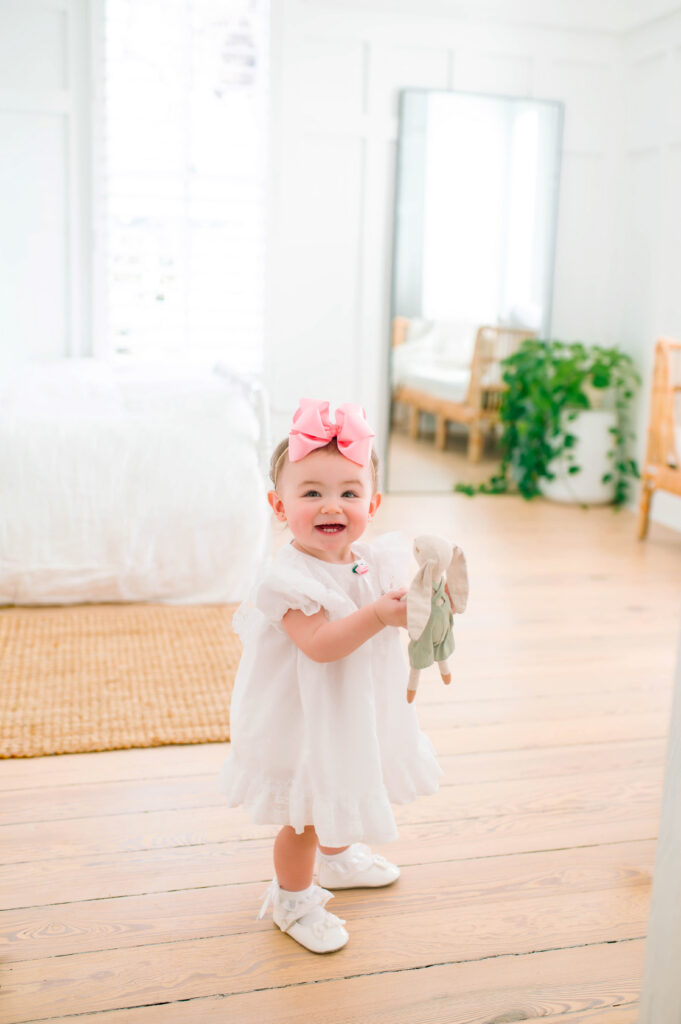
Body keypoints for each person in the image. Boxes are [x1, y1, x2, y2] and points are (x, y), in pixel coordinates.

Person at [220, 398, 443, 953]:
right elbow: (320, 646)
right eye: (311, 492)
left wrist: (426, 607)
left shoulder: (372, 559)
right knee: (306, 813)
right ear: (279, 505)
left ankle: (339, 861)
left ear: (375, 502)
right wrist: (377, 615)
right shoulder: (287, 579)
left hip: (353, 706)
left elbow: (398, 611)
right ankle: (292, 900)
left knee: (347, 772)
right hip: (302, 717)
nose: (331, 505)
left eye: (349, 491)